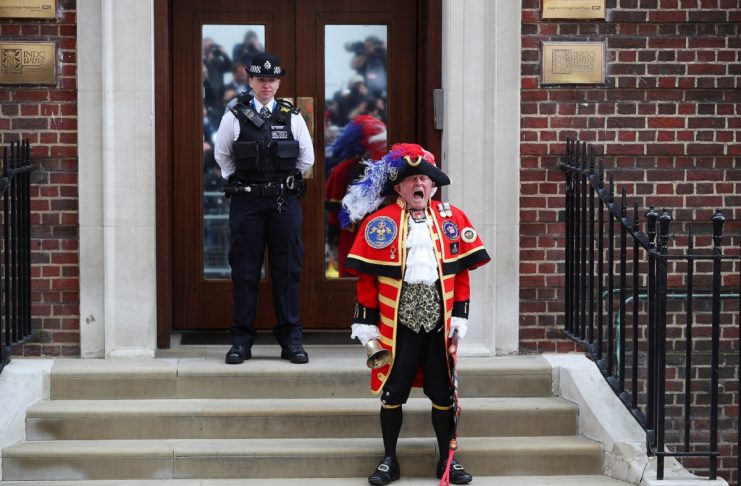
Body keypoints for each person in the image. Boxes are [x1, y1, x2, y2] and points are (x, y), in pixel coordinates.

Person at [341, 143, 490, 485]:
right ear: (399, 188)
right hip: (398, 326)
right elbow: (367, 280)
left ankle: (446, 461)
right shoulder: (381, 223)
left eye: (424, 178)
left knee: (443, 393)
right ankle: (389, 460)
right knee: (393, 392)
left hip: (438, 325)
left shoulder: (452, 219)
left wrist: (459, 318)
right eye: (411, 180)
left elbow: (461, 273)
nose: (418, 184)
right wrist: (366, 323)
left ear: (433, 186)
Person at [214, 52, 314, 365]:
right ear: (251, 80)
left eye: (272, 80)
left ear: (278, 82)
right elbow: (223, 157)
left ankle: (291, 341)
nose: (266, 85)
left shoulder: (292, 116)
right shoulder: (234, 115)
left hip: (284, 203)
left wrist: (279, 183)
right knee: (244, 272)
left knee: (287, 272)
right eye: (260, 79)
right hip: (247, 203)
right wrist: (248, 185)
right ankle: (241, 342)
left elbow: (306, 160)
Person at [324, 115, 387, 277]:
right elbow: (333, 214)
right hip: (352, 236)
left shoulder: (390, 169)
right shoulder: (344, 170)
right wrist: (333, 244)